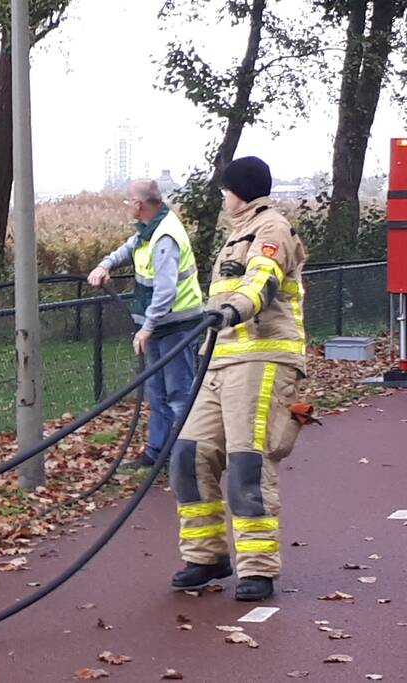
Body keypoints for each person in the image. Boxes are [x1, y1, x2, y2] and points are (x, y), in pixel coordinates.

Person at [168, 156, 309, 601]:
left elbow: (261, 281)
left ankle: (258, 569)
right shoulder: (236, 233)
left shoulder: (271, 229)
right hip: (223, 362)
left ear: (240, 191)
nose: (223, 197)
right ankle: (206, 555)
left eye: (226, 190)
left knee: (248, 463)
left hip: (263, 359)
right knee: (190, 455)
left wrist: (236, 309)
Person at [88, 179, 204, 471]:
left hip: (176, 325)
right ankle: (157, 454)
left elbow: (165, 290)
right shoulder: (150, 230)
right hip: (161, 326)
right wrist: (105, 265)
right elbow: (128, 249)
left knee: (179, 394)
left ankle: (185, 460)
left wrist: (146, 328)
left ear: (139, 205)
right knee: (158, 393)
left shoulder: (165, 237)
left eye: (129, 201)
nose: (128, 205)